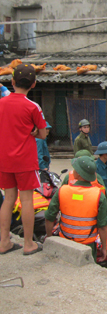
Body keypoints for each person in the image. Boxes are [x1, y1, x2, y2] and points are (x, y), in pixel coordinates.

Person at [0, 64, 47, 255]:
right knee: (26, 200)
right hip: (25, 161)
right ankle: (29, 244)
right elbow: (43, 134)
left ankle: (4, 241)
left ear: (12, 82)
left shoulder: (1, 103)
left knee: (8, 199)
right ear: (33, 84)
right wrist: (35, 132)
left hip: (4, 159)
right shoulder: (32, 106)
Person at [45, 156, 107, 262]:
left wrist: (49, 237)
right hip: (88, 246)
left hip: (65, 243)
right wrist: (104, 248)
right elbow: (103, 226)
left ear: (79, 174)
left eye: (75, 169)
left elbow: (49, 217)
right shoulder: (98, 195)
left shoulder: (62, 191)